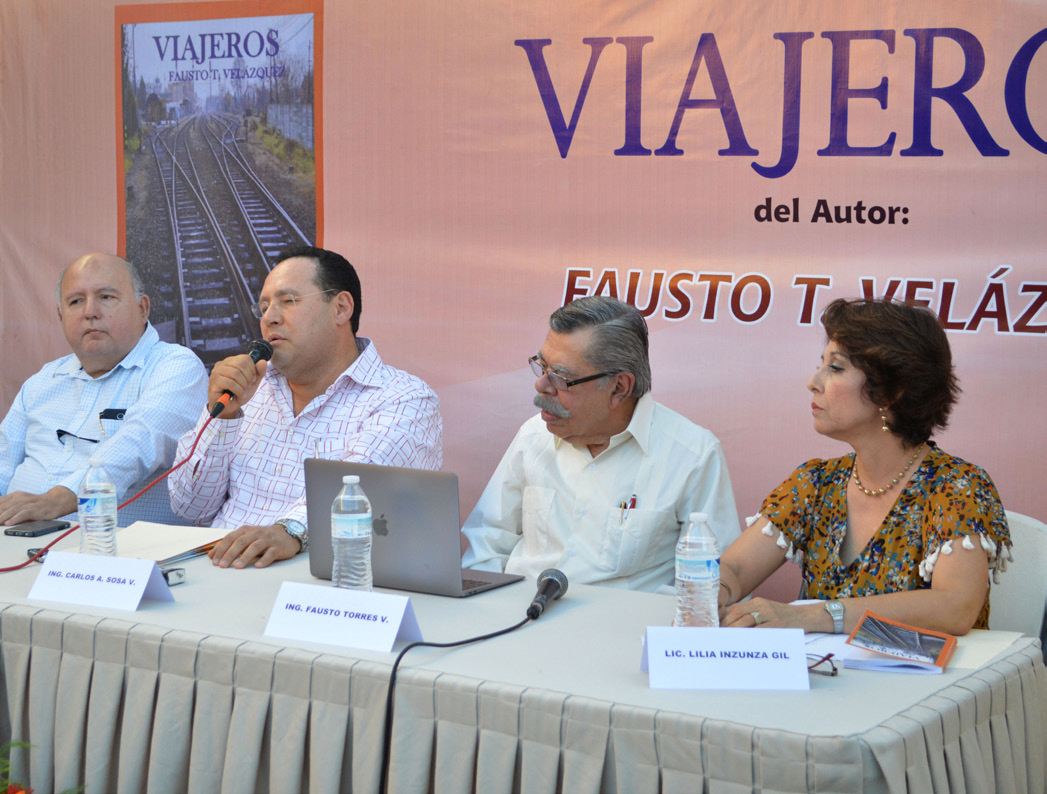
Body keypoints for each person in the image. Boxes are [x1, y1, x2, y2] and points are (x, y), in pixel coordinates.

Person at [719, 298, 1010, 635]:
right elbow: (735, 568)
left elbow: (955, 606)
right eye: (822, 364)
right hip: (827, 682)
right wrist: (715, 592)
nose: (813, 382)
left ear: (891, 392)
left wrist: (811, 616)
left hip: (931, 685)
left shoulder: (957, 486)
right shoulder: (815, 482)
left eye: (836, 368)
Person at [168, 246, 443, 569]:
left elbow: (358, 487)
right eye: (264, 306)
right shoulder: (247, 391)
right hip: (219, 571)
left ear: (341, 308)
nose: (270, 317)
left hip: (323, 583)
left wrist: (290, 530)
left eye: (288, 301)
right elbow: (190, 507)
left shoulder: (402, 398)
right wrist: (225, 416)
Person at [461, 296, 740, 591]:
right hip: (518, 620)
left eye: (560, 377)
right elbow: (487, 544)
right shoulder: (534, 436)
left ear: (619, 387)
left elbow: (709, 587)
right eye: (541, 366)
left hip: (625, 631)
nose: (541, 385)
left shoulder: (692, 456)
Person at [0, 252, 208, 526]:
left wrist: (55, 501)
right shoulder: (43, 381)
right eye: (76, 301)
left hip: (118, 554)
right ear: (61, 315)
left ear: (142, 308)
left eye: (106, 297)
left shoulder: (175, 367)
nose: (90, 312)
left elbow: (139, 442)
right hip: (14, 542)